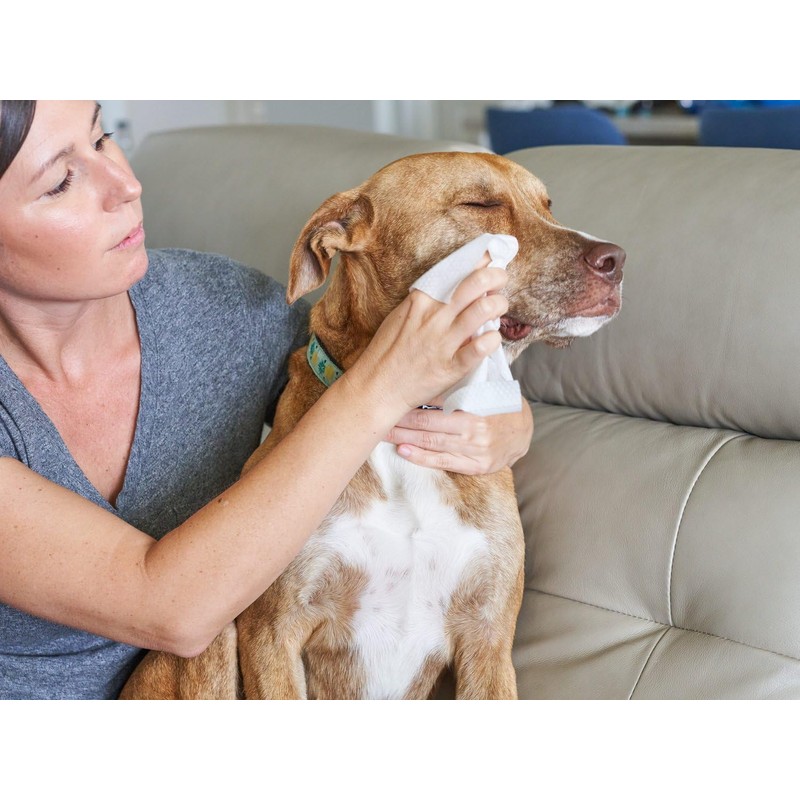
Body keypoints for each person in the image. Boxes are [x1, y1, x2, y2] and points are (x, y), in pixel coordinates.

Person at [0, 100, 533, 699]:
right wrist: (384, 387)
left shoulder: (222, 308)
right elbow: (171, 611)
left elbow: (350, 362)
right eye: (61, 181)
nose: (126, 185)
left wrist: (508, 420)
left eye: (102, 139)